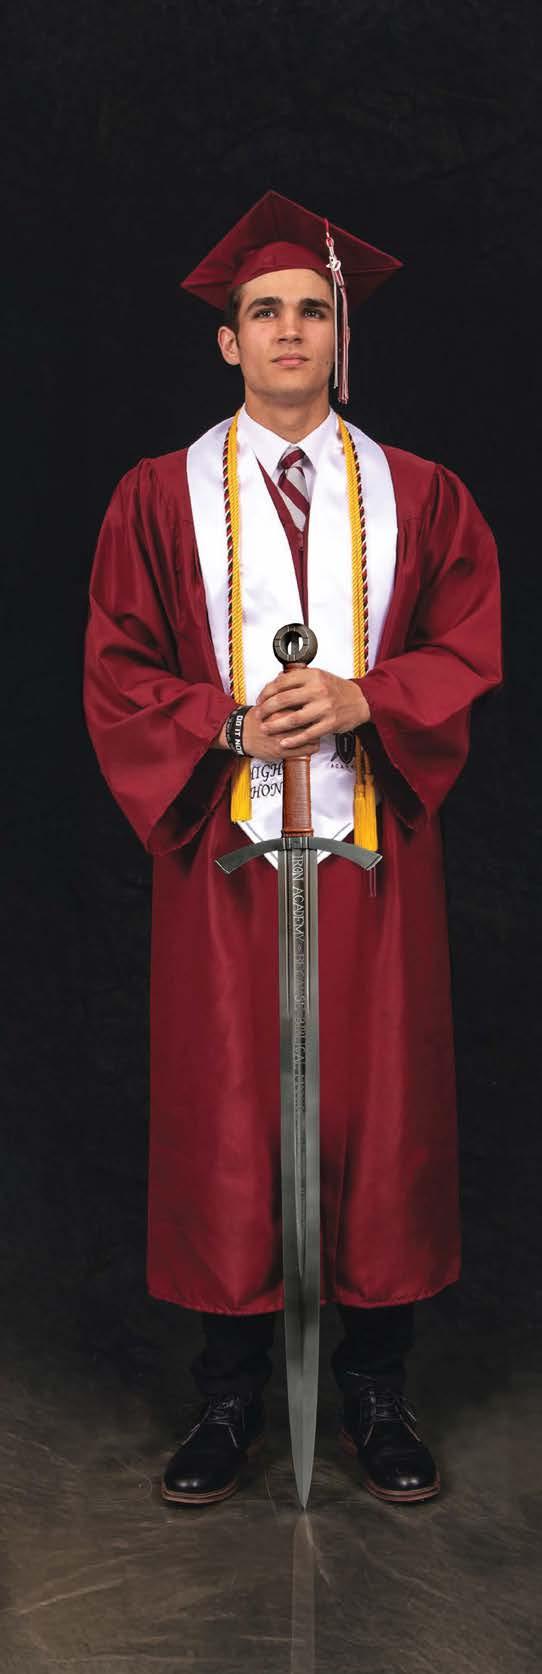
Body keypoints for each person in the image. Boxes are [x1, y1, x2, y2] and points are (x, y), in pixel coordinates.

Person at [82, 189, 502, 1508]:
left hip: (373, 851)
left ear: (339, 335)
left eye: (311, 312)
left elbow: (467, 641)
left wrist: (370, 699)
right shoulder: (158, 498)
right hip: (226, 853)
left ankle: (377, 1390)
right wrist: (222, 723)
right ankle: (226, 1396)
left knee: (380, 1112)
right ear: (227, 341)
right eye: (262, 312)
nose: (286, 332)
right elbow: (116, 666)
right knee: (226, 1115)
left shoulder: (421, 495)